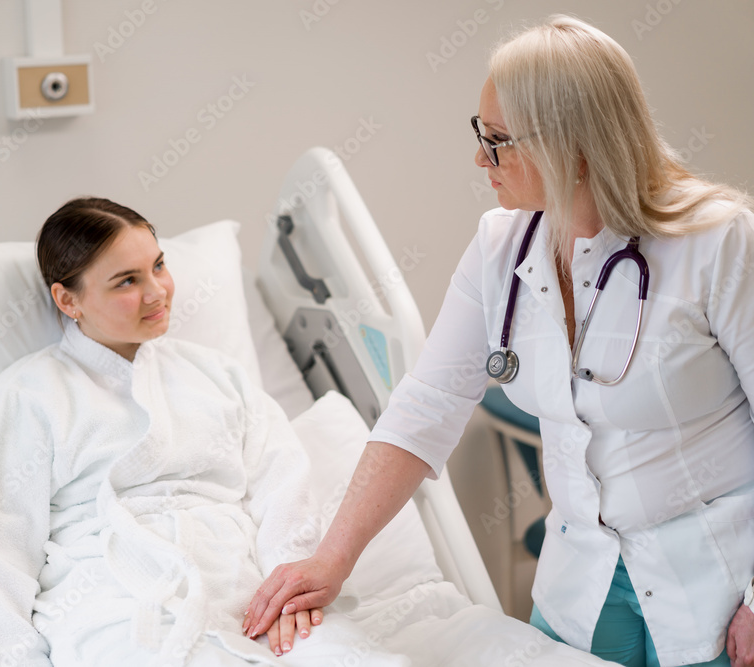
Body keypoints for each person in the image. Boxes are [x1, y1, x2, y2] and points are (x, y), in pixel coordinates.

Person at [243, 15, 754, 667]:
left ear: (573, 145)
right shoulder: (501, 247)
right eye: (480, 134)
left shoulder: (718, 243)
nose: (480, 159)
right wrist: (330, 559)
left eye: (498, 141)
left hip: (716, 583)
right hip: (582, 582)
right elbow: (426, 407)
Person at [0, 197, 411, 666]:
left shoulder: (219, 376)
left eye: (159, 266)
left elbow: (283, 486)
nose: (157, 292)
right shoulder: (29, 395)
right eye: (127, 281)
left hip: (251, 595)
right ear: (68, 300)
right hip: (117, 601)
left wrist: (289, 590)